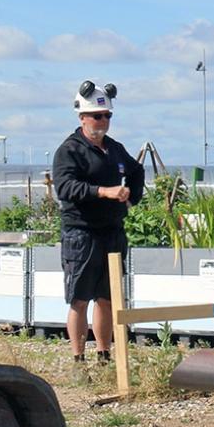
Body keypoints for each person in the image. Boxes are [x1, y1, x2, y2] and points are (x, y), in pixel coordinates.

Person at [51, 80, 144, 369]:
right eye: (97, 116)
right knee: (79, 299)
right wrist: (104, 191)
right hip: (81, 233)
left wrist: (130, 199)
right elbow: (65, 187)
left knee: (106, 298)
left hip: (112, 232)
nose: (103, 121)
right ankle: (79, 360)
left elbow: (137, 170)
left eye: (107, 116)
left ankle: (104, 357)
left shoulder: (114, 149)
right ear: (83, 118)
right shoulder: (70, 150)